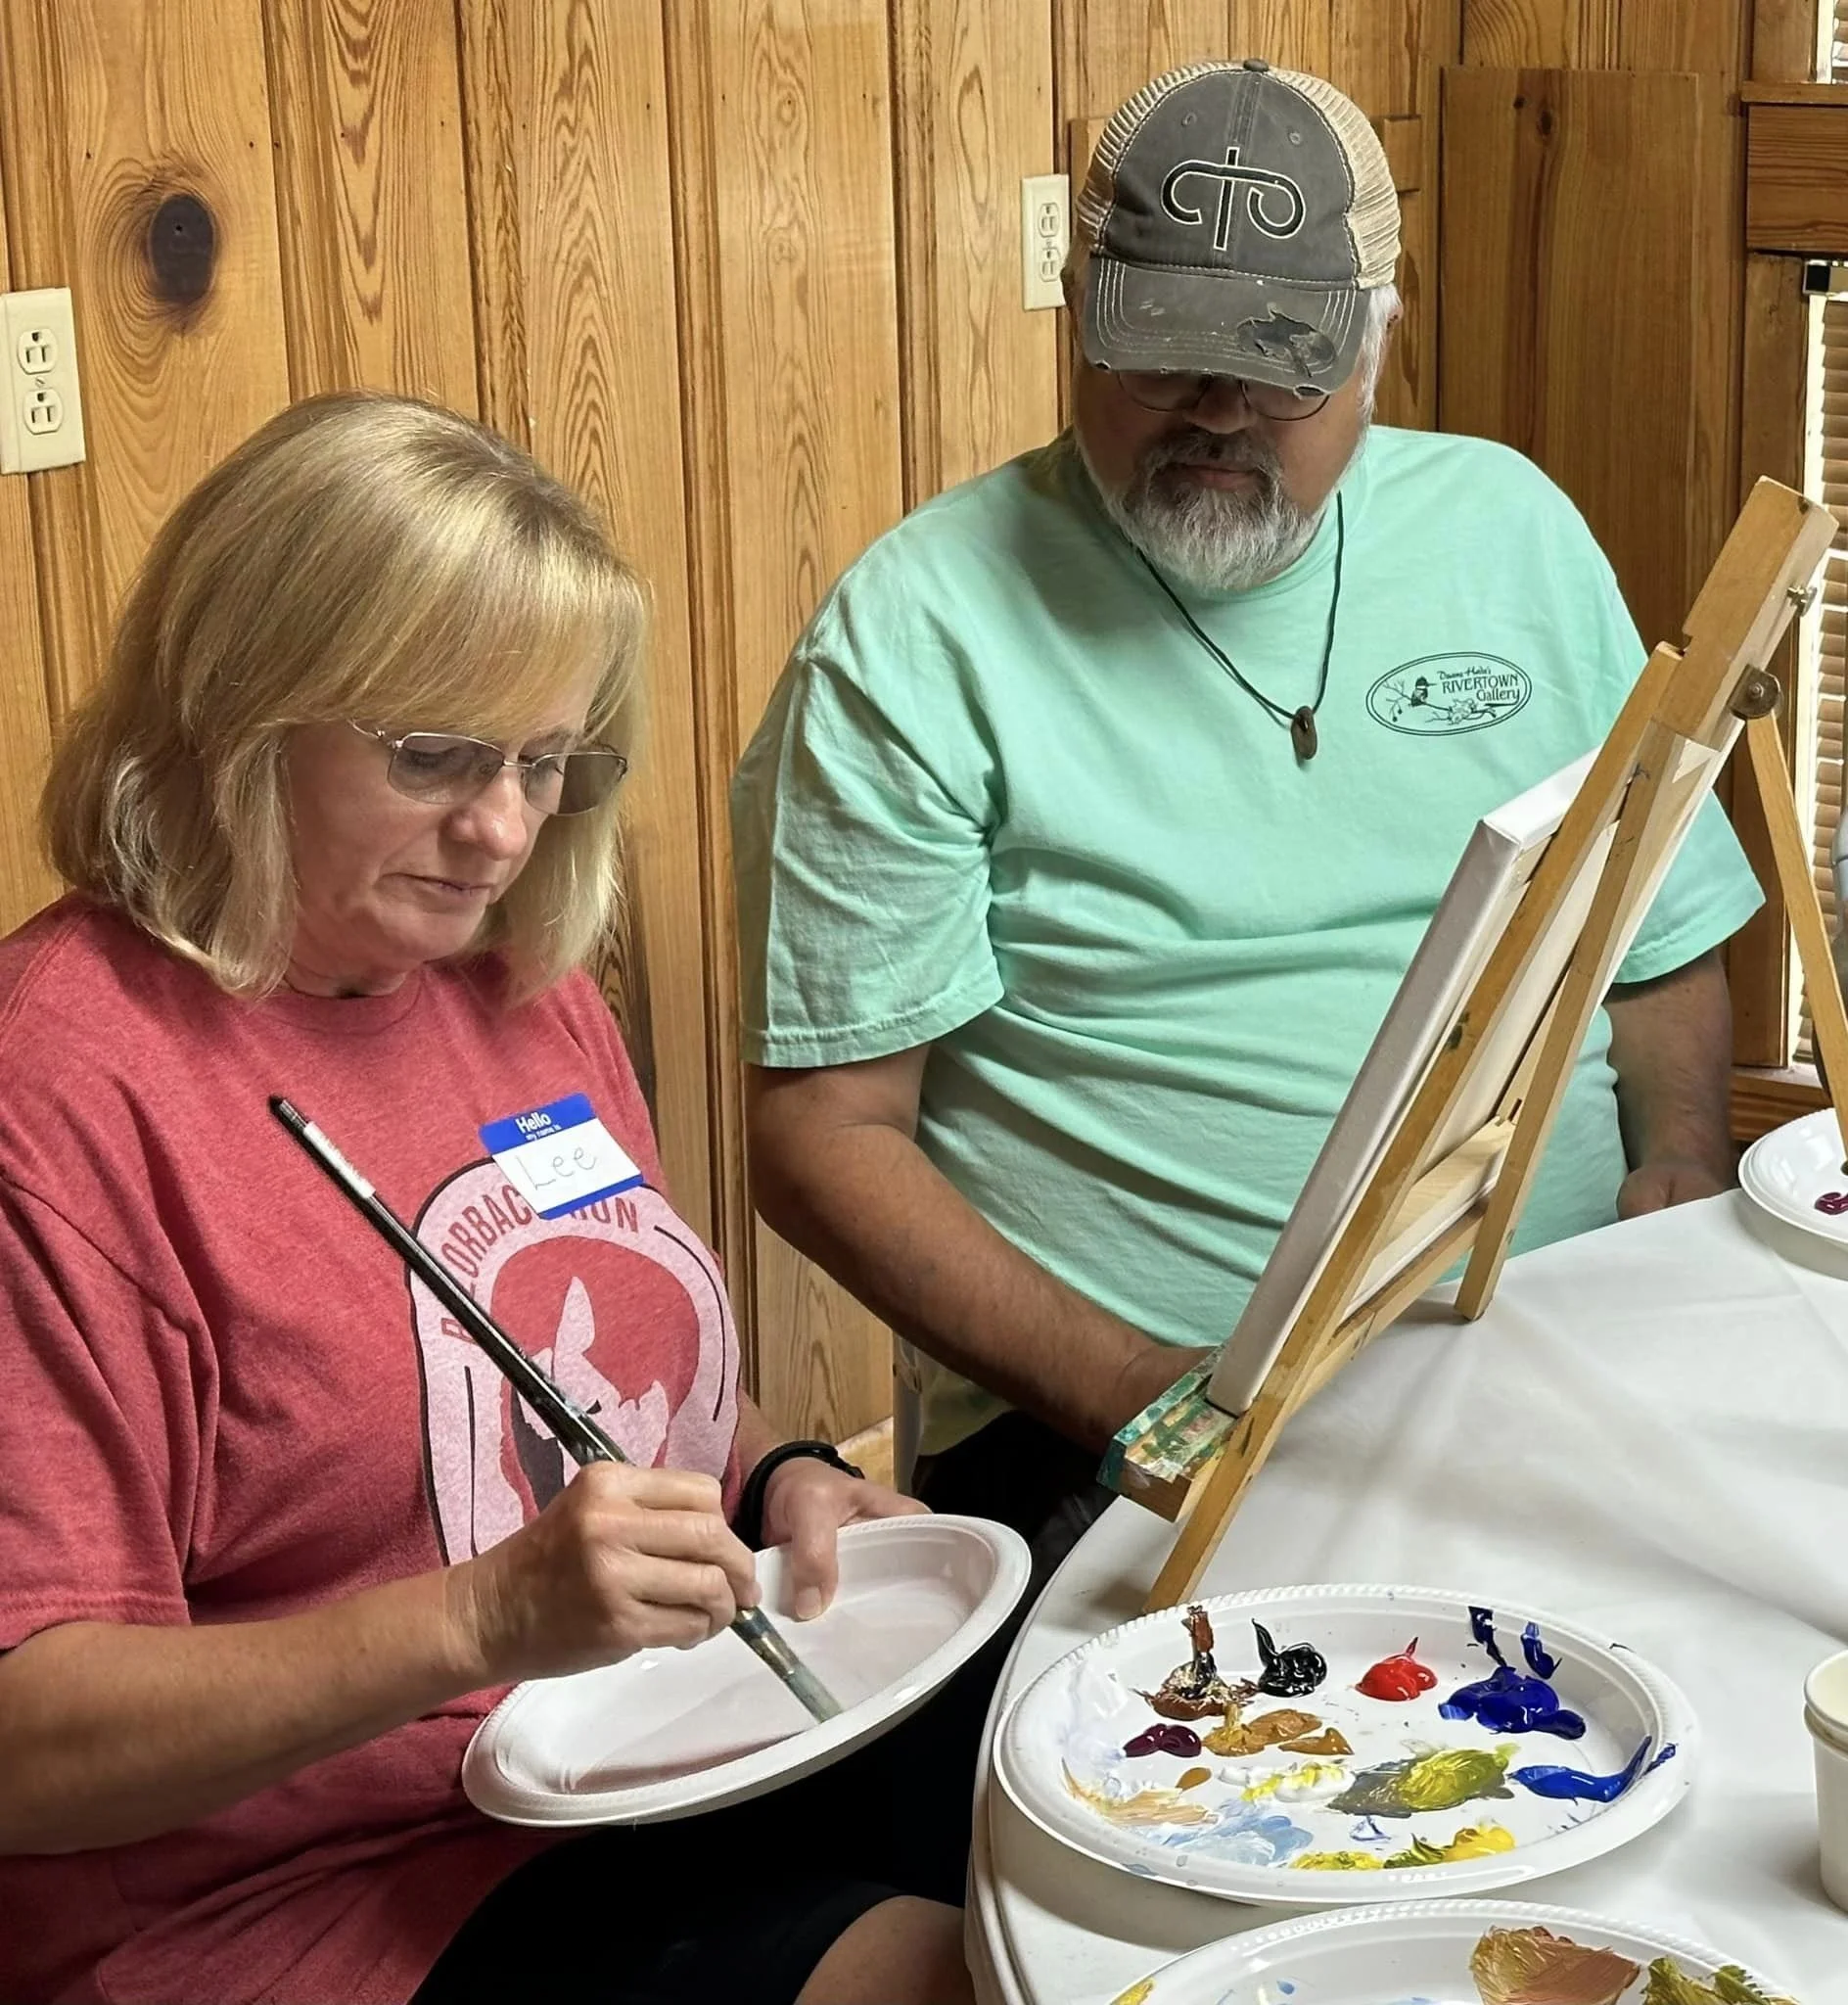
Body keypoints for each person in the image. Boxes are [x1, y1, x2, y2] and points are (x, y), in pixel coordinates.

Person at [0, 392, 979, 2005]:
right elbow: (28, 1746)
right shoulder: (66, 1087)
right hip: (309, 1901)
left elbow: (589, 1407)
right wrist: (481, 1622)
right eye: (436, 755)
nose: (505, 831)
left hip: (644, 1755)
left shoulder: (509, 985)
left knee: (1096, 1816)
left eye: (547, 761)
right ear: (235, 709)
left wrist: (778, 1480)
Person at [730, 59, 1762, 1557]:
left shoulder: (1511, 531)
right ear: (1081, 322)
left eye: (1281, 364)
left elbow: (1655, 931)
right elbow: (824, 1138)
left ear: (1375, 351)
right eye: (1167, 358)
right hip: (1115, 1419)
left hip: (1552, 1351)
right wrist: (1151, 1398)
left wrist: (1679, 1151)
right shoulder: (915, 630)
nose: (1218, 415)